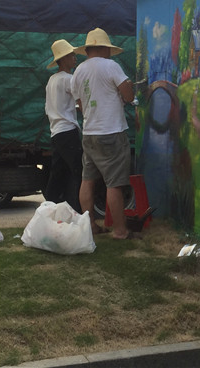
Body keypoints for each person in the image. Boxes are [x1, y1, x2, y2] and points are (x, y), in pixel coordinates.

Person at [71, 28, 134, 240]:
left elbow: (80, 104)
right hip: (111, 131)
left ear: (88, 49)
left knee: (87, 180)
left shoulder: (78, 71)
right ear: (104, 48)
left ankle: (90, 226)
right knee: (114, 183)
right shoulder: (111, 66)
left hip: (89, 133)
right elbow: (128, 96)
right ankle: (120, 231)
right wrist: (126, 91)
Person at [44, 40, 84, 213]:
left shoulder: (52, 80)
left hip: (55, 132)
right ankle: (79, 211)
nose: (75, 58)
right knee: (78, 172)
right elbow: (81, 102)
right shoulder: (69, 79)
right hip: (68, 131)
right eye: (71, 55)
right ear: (63, 59)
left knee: (57, 174)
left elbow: (51, 107)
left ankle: (48, 210)